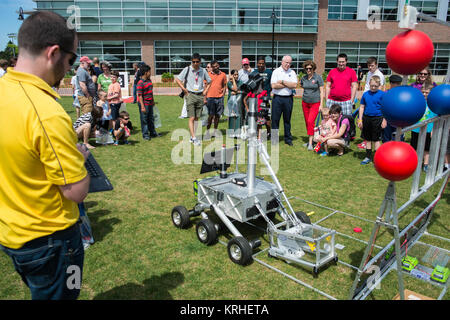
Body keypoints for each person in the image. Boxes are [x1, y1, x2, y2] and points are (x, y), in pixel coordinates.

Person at [0, 11, 90, 300]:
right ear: (53, 52)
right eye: (71, 59)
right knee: (67, 294)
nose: (69, 68)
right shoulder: (47, 112)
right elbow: (76, 192)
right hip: (54, 240)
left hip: (13, 234)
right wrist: (82, 157)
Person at [175, 53, 211, 146]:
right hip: (190, 95)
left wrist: (205, 91)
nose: (195, 63)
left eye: (197, 62)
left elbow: (210, 81)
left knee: (196, 118)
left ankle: (192, 136)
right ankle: (194, 138)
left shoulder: (203, 71)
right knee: (191, 117)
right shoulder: (187, 69)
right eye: (193, 62)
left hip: (200, 95)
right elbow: (178, 79)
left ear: (200, 61)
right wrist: (183, 89)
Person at [357, 75, 386, 165]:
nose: (373, 88)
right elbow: (361, 107)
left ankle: (377, 158)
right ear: (369, 84)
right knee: (368, 139)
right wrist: (360, 120)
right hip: (366, 118)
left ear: (379, 85)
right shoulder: (365, 94)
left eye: (375, 86)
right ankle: (368, 157)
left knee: (376, 139)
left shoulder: (382, 94)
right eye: (372, 85)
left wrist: (384, 120)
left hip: (377, 119)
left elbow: (385, 108)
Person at [358, 57, 385, 150]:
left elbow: (380, 91)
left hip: (376, 112)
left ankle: (377, 155)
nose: (370, 67)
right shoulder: (369, 73)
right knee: (367, 135)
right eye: (369, 65)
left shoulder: (379, 75)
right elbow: (367, 86)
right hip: (367, 101)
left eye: (372, 65)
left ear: (376, 65)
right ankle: (367, 150)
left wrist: (373, 97)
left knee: (376, 137)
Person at [410, 82, 438, 172]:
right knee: (414, 147)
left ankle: (425, 164)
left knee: (427, 148)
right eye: (423, 92)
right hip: (416, 129)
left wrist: (433, 129)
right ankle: (414, 163)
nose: (424, 94)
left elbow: (436, 118)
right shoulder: (417, 102)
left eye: (427, 92)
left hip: (428, 129)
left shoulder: (433, 104)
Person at [271, 55, 297, 146]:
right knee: (275, 120)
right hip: (277, 98)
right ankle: (274, 139)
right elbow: (274, 86)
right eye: (286, 62)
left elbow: (294, 85)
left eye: (290, 63)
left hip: (288, 99)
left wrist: (282, 81)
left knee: (287, 119)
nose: (288, 64)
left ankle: (288, 139)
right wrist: (287, 84)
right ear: (282, 62)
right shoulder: (276, 71)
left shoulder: (292, 72)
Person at [300, 60, 324, 150]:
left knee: (310, 121)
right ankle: (312, 139)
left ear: (313, 68)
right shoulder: (303, 78)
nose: (308, 70)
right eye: (306, 68)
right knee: (307, 122)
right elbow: (302, 86)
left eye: (310, 68)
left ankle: (310, 143)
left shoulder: (318, 77)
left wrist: (321, 104)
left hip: (315, 103)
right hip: (305, 103)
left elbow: (322, 91)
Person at [204, 60, 227, 138]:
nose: (216, 67)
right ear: (212, 67)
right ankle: (207, 131)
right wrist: (204, 98)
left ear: (218, 65)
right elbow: (205, 86)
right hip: (210, 98)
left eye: (217, 66)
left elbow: (224, 85)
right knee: (210, 116)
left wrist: (223, 95)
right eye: (214, 66)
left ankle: (215, 131)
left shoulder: (223, 75)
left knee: (217, 116)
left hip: (219, 98)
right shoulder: (207, 75)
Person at [137, 64, 159, 140]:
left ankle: (152, 132)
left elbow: (151, 92)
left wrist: (152, 101)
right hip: (144, 103)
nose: (150, 73)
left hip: (150, 103)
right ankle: (145, 135)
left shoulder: (149, 80)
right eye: (149, 72)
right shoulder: (140, 82)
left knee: (151, 118)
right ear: (146, 72)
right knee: (144, 119)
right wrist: (142, 107)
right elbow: (140, 96)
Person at [382, 74, 403, 143]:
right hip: (388, 120)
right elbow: (383, 108)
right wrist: (384, 120)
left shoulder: (402, 94)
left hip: (399, 121)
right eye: (396, 83)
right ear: (391, 83)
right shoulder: (386, 94)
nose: (398, 85)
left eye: (399, 83)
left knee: (398, 139)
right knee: (386, 139)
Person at [227, 69, 244, 137]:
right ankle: (231, 132)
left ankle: (237, 133)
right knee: (232, 116)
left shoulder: (240, 82)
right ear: (232, 75)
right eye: (234, 75)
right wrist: (233, 80)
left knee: (238, 116)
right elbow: (235, 88)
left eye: (237, 75)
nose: (236, 76)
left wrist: (237, 92)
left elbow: (243, 91)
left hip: (238, 101)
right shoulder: (229, 83)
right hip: (231, 102)